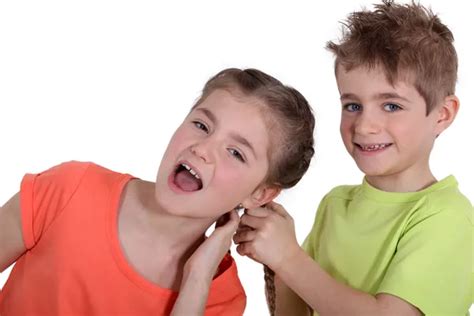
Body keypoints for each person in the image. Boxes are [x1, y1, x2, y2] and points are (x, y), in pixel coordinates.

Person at [0, 68, 315, 315]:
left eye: (236, 152)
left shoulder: (218, 295)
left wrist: (196, 277)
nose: (203, 149)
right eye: (202, 125)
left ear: (259, 195)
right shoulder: (71, 187)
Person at [233, 1, 472, 315]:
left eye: (391, 106)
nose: (364, 125)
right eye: (352, 105)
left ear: (442, 114)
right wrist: (279, 265)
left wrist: (289, 258)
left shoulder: (449, 217)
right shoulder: (335, 204)